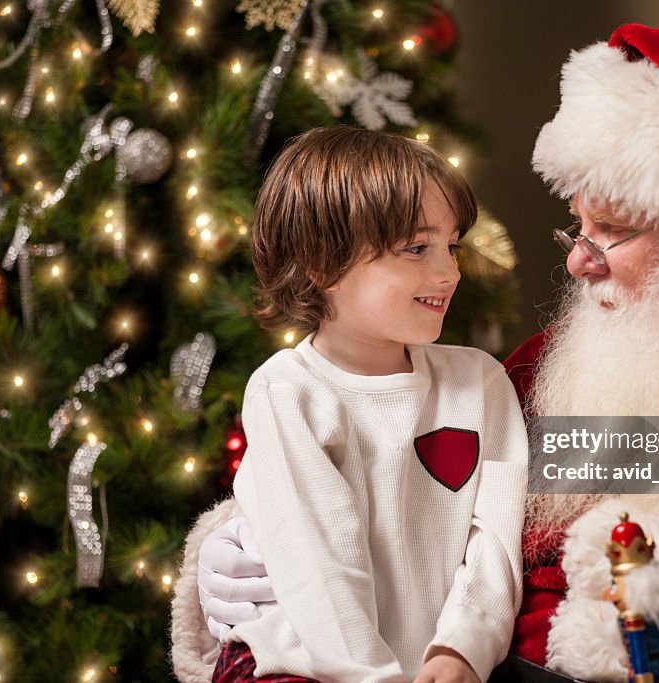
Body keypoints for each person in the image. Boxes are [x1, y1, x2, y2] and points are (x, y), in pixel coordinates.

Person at [172, 26, 659, 683]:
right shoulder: (548, 370)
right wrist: (244, 540)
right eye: (577, 227)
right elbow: (405, 499)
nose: (579, 261)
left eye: (615, 230)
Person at [176, 126, 529, 683]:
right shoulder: (289, 391)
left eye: (452, 245)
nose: (449, 272)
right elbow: (322, 571)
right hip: (305, 667)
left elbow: (496, 541)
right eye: (417, 248)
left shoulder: (480, 383)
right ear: (322, 265)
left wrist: (463, 647)